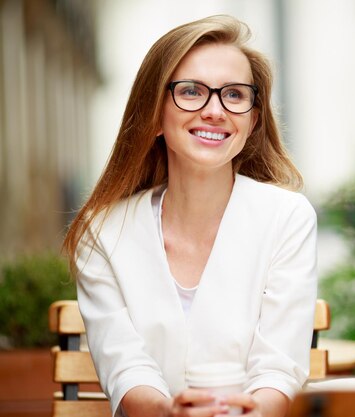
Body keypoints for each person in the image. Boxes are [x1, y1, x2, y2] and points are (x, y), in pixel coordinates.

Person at [62, 15, 318, 417]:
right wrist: (170, 413)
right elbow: (126, 370)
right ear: (154, 114)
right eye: (192, 91)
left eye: (234, 95)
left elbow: (277, 371)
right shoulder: (103, 232)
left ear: (253, 120)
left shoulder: (287, 218)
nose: (215, 110)